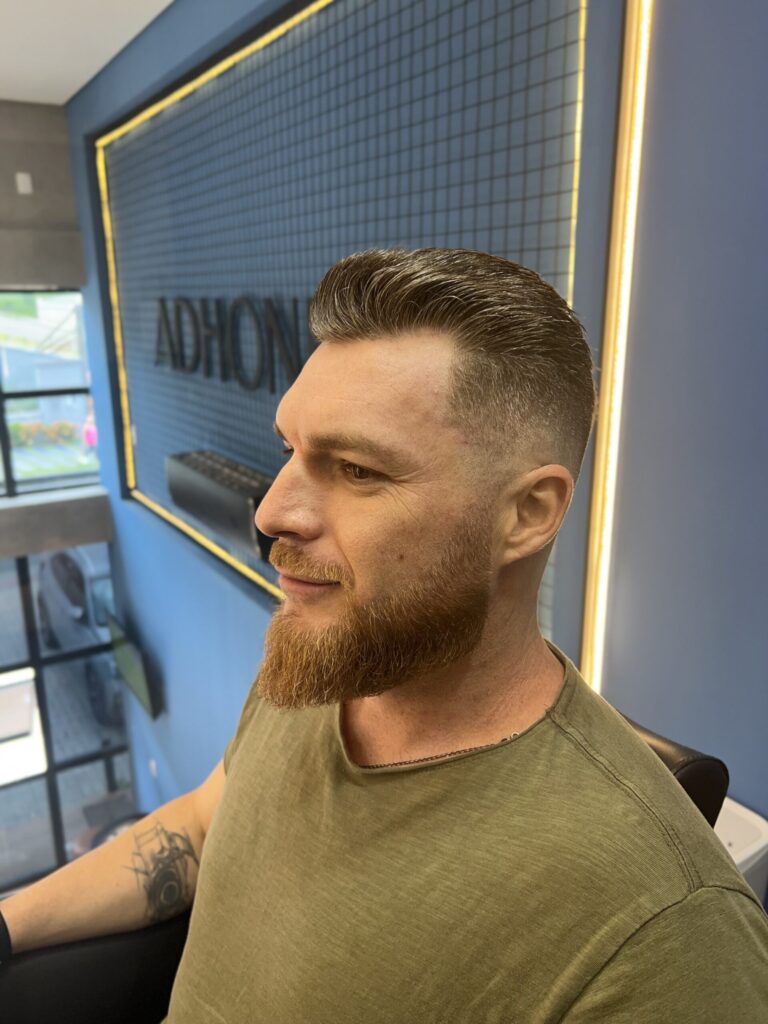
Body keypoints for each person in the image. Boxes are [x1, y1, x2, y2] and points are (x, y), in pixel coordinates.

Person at [1, 248, 767, 1021]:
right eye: (290, 450)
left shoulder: (666, 934)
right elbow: (206, 825)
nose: (270, 513)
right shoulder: (323, 659)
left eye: (358, 470)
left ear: (527, 514)